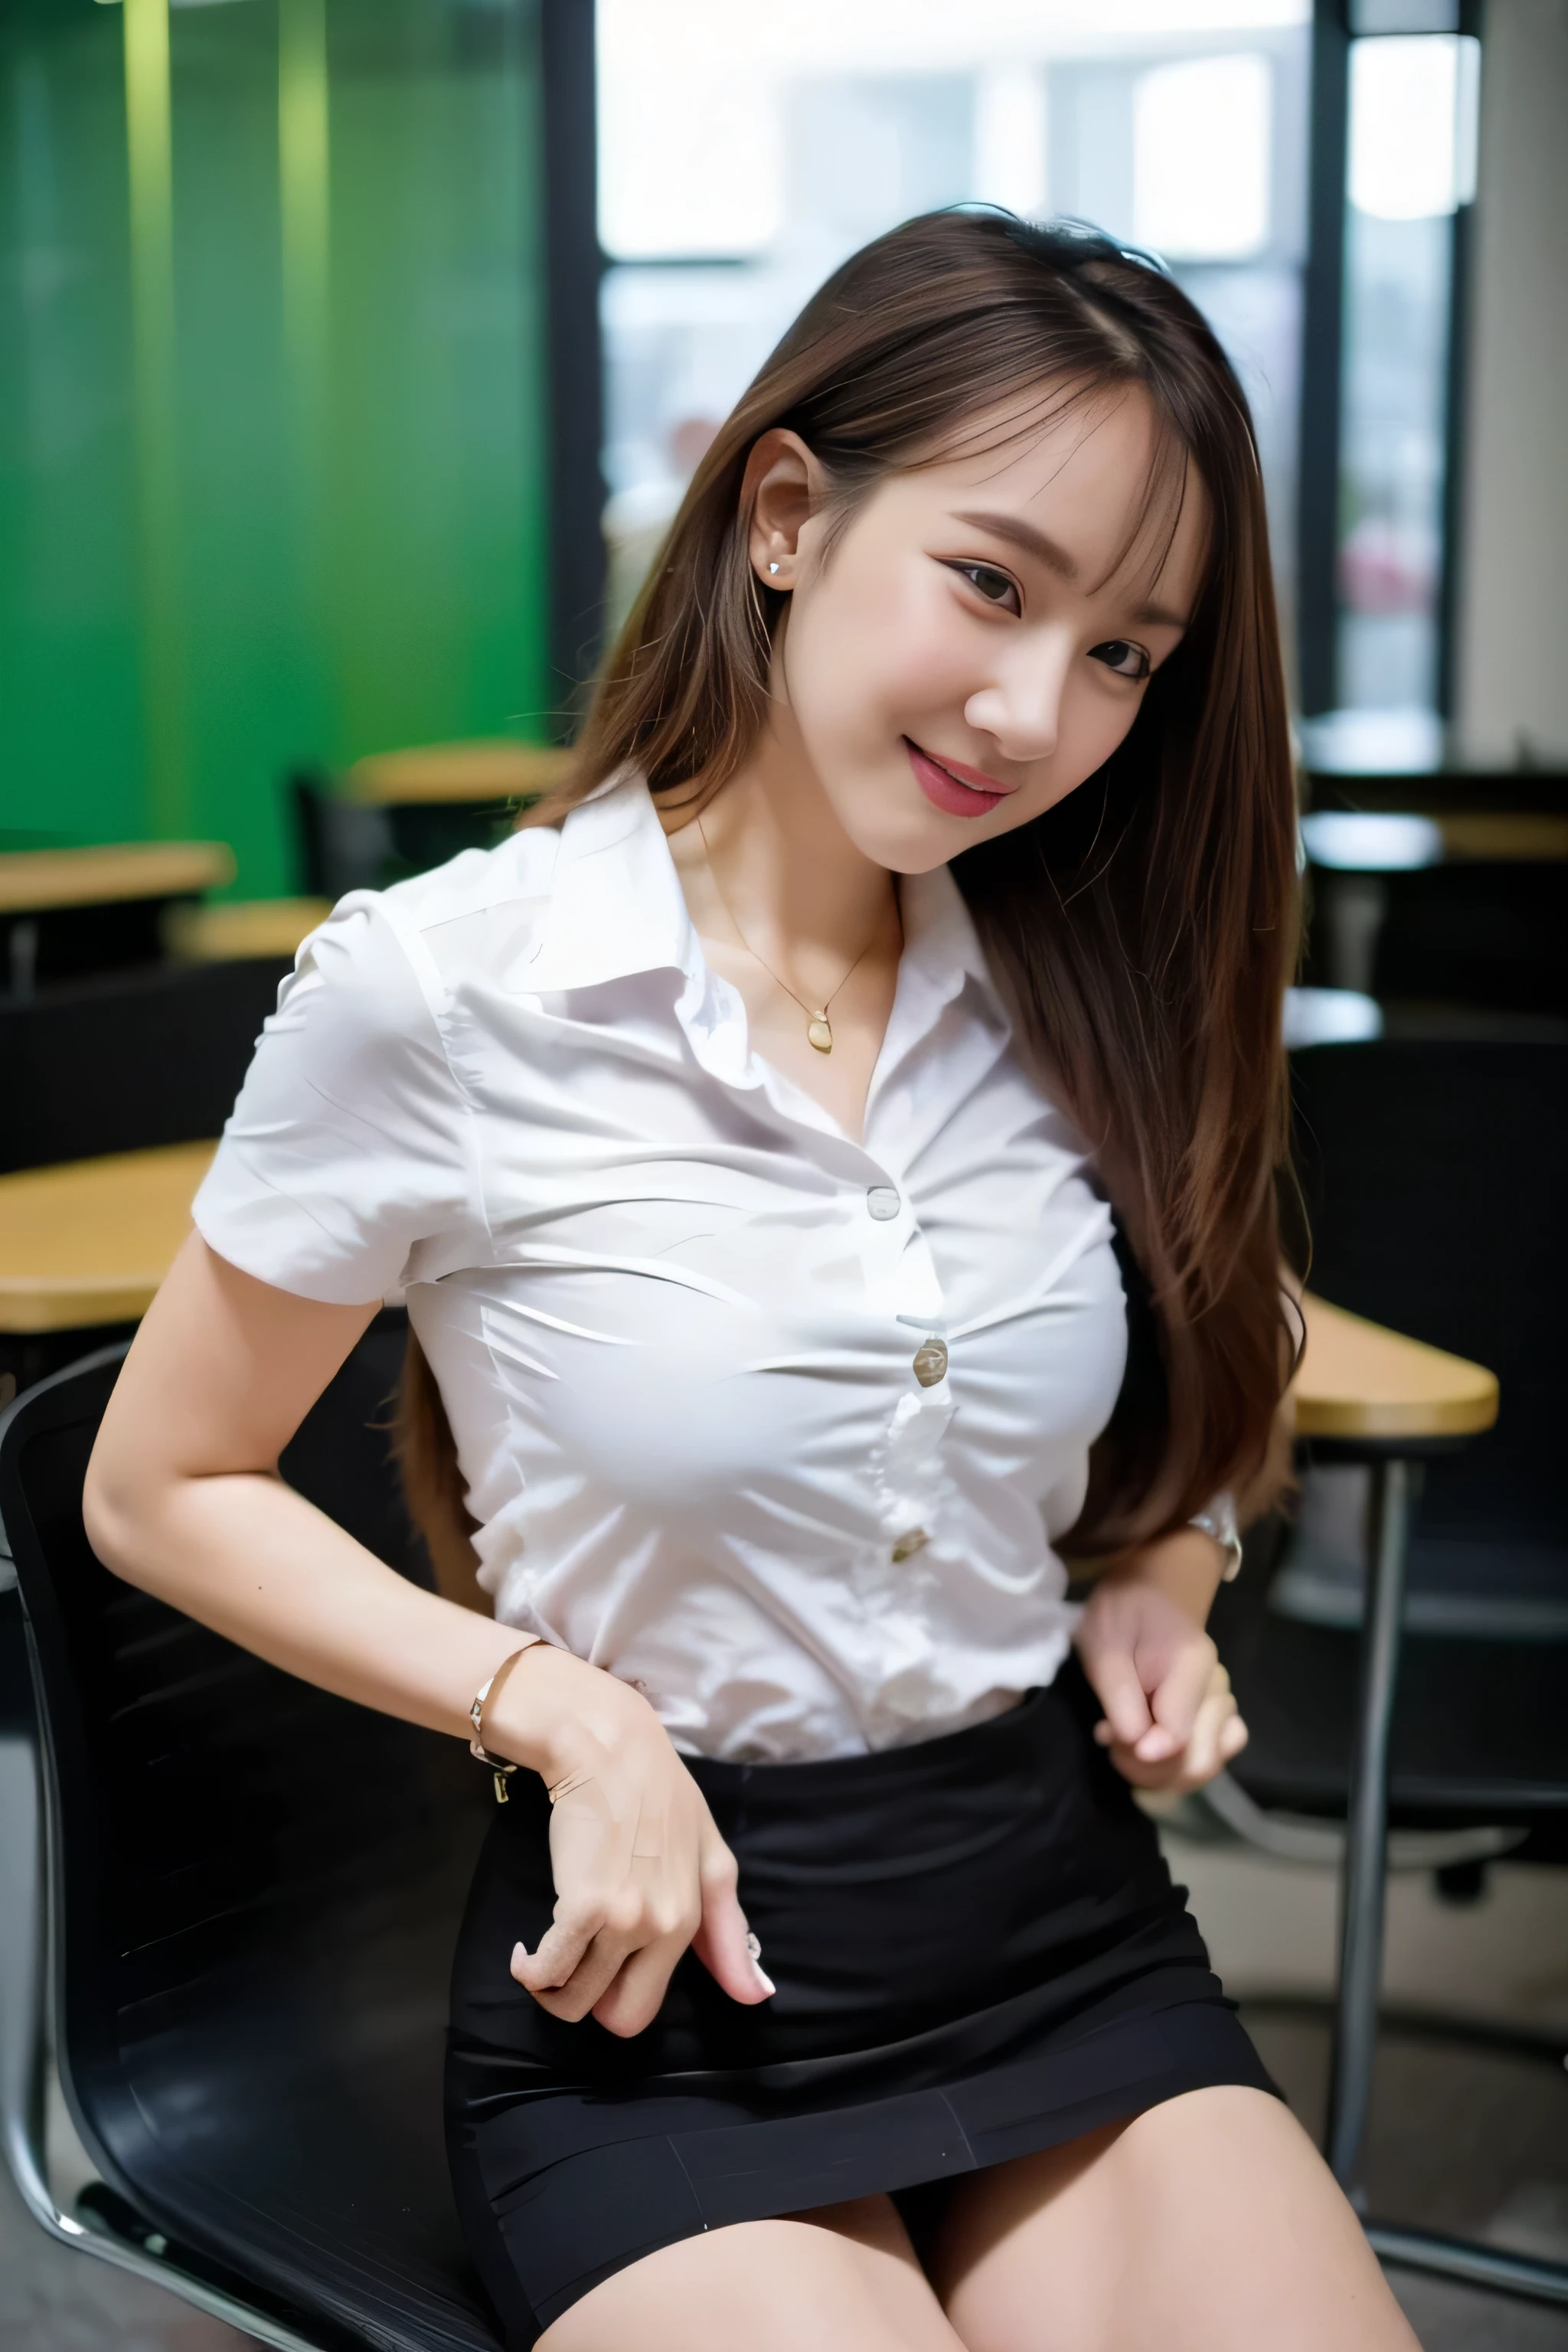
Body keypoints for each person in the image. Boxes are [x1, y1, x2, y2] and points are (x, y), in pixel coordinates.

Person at [83, 212, 1419, 2352]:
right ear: (788, 514)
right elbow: (157, 1484)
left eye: (1124, 655)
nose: (1035, 708)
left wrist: (1166, 1562)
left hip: (1052, 1917)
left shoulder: (1086, 989)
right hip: (654, 1987)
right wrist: (561, 1710)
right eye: (992, 581)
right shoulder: (447, 987)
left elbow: (1204, 1351)